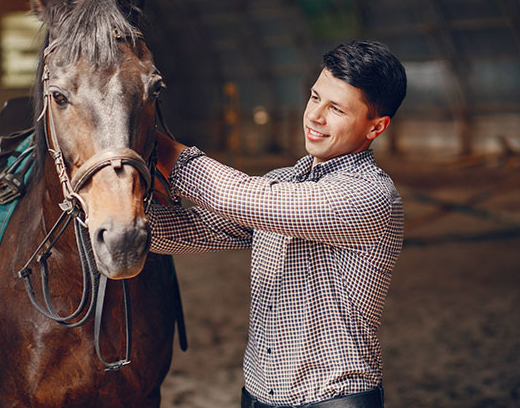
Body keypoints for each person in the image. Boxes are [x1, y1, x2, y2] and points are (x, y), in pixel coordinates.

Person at [148, 40, 407, 408]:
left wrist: (156, 144)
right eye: (315, 97)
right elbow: (194, 228)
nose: (315, 116)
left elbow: (240, 197)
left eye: (336, 108)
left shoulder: (369, 196)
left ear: (375, 127)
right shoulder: (284, 181)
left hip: (332, 400)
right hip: (257, 395)